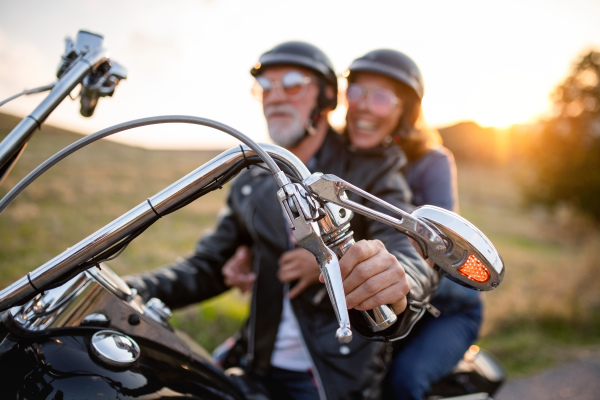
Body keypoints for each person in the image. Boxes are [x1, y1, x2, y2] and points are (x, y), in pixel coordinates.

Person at [126, 41, 440, 400]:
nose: (274, 97)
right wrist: (129, 287)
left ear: (324, 98)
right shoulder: (251, 178)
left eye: (292, 83)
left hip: (333, 376)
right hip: (255, 366)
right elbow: (207, 266)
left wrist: (397, 280)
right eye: (265, 87)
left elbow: (404, 245)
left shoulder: (372, 168)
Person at [343, 48, 482, 400]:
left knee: (402, 383)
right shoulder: (346, 158)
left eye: (381, 97)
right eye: (356, 91)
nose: (362, 105)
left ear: (406, 111)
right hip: (381, 303)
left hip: (444, 310)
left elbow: (440, 253)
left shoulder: (431, 162)